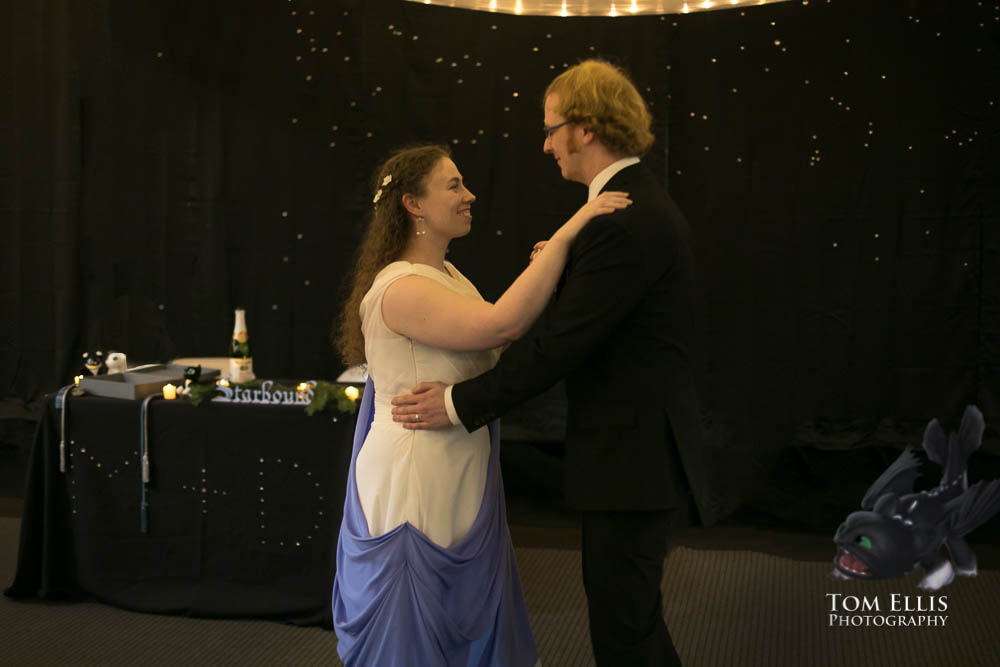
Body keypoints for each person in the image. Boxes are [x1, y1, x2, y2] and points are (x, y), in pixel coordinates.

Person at [390, 60, 714, 666]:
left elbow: (560, 347)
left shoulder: (623, 219)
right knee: (627, 620)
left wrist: (459, 403)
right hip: (635, 456)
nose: (544, 144)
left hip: (633, 460)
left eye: (550, 128)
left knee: (627, 631)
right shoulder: (627, 209)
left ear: (585, 128)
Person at [331, 143, 631, 666]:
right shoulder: (400, 287)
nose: (470, 195)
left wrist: (548, 272)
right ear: (413, 205)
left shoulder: (449, 277)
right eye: (453, 185)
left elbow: (493, 342)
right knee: (418, 616)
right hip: (416, 471)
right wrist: (569, 231)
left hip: (457, 462)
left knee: (458, 610)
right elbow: (501, 326)